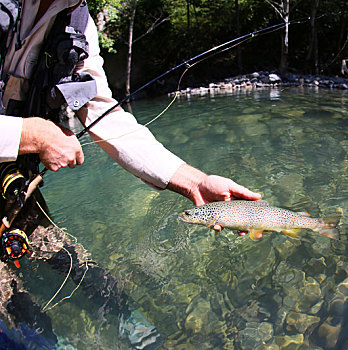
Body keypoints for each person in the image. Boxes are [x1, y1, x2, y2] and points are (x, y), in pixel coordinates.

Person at [0, 0, 260, 346]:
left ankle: (138, 331)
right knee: (19, 317)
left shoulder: (76, 21)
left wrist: (193, 181)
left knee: (83, 271)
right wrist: (29, 135)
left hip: (15, 187)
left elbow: (103, 114)